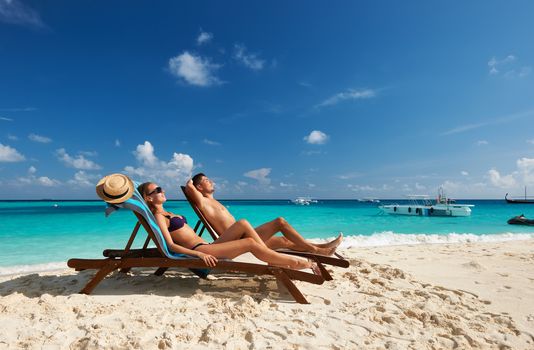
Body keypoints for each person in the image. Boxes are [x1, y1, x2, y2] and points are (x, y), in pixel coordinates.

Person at [137, 182, 319, 272]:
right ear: (149, 198)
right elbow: (171, 246)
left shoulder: (168, 213)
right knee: (249, 242)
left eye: (161, 188)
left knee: (243, 223)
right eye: (157, 190)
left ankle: (275, 258)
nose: (162, 191)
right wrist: (200, 254)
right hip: (202, 249)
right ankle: (294, 262)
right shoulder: (159, 216)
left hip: (209, 245)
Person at [185, 173, 342, 256]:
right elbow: (189, 187)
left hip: (245, 237)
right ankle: (318, 250)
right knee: (279, 221)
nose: (211, 181)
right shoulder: (203, 201)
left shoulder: (215, 201)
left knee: (284, 240)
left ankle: (322, 247)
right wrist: (191, 181)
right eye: (206, 180)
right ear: (199, 187)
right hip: (234, 242)